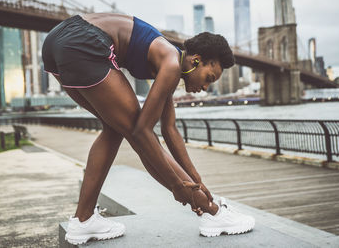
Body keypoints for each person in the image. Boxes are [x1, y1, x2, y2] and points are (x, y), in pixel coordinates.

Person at [42, 13, 255, 245]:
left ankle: (83, 220)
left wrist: (195, 179)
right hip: (83, 41)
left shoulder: (168, 62)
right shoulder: (172, 63)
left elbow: (170, 130)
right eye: (208, 77)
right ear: (196, 60)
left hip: (57, 41)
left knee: (115, 129)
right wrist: (178, 186)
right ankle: (212, 212)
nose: (205, 87)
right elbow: (142, 132)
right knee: (137, 131)